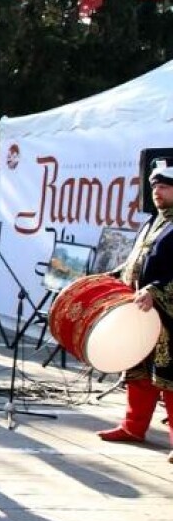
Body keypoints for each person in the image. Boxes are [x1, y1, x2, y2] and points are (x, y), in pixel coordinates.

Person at [97, 158, 173, 464]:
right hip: (141, 311)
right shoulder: (152, 221)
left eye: (166, 187)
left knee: (170, 379)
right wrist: (114, 278)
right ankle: (133, 426)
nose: (158, 192)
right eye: (155, 186)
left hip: (168, 314)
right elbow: (137, 261)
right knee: (138, 370)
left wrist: (155, 291)